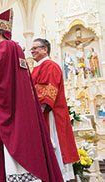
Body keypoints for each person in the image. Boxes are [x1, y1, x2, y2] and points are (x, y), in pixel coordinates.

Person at [0, 8, 63, 182]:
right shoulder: (16, 48)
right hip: (24, 110)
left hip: (13, 113)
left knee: (16, 153)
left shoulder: (5, 47)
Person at [31, 38, 80, 181]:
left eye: (36, 48)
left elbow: (48, 91)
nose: (32, 51)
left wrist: (36, 112)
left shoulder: (50, 66)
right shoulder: (37, 67)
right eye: (31, 49)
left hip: (50, 114)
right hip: (40, 112)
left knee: (53, 148)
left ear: (45, 49)